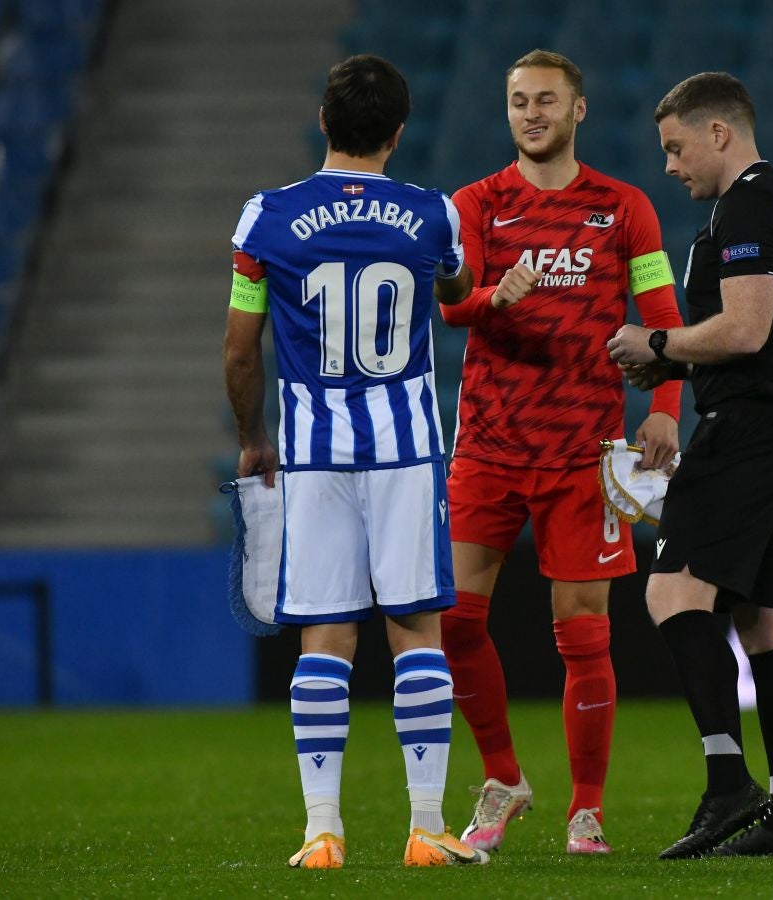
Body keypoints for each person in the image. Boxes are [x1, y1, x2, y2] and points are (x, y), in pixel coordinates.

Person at [223, 54, 488, 870]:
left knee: (324, 639)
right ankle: (426, 827)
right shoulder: (431, 215)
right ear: (399, 131)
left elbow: (240, 351)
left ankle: (323, 832)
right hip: (406, 451)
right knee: (417, 631)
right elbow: (458, 287)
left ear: (323, 119)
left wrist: (253, 435)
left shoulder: (266, 219)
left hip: (311, 455)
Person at [438, 49, 685, 856]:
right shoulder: (474, 205)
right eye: (517, 101)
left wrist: (667, 409)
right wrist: (488, 298)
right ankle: (504, 779)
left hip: (586, 449)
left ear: (578, 111)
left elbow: (660, 312)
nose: (530, 113)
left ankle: (588, 811)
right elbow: (452, 305)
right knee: (454, 621)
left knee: (584, 633)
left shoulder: (625, 209)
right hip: (488, 446)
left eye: (546, 100)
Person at [607, 71, 773, 858]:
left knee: (670, 591)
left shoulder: (748, 205)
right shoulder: (763, 203)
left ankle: (727, 781)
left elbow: (745, 330)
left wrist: (657, 344)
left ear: (719, 133)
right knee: (767, 624)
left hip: (751, 433)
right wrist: (672, 368)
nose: (670, 165)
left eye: (675, 147)